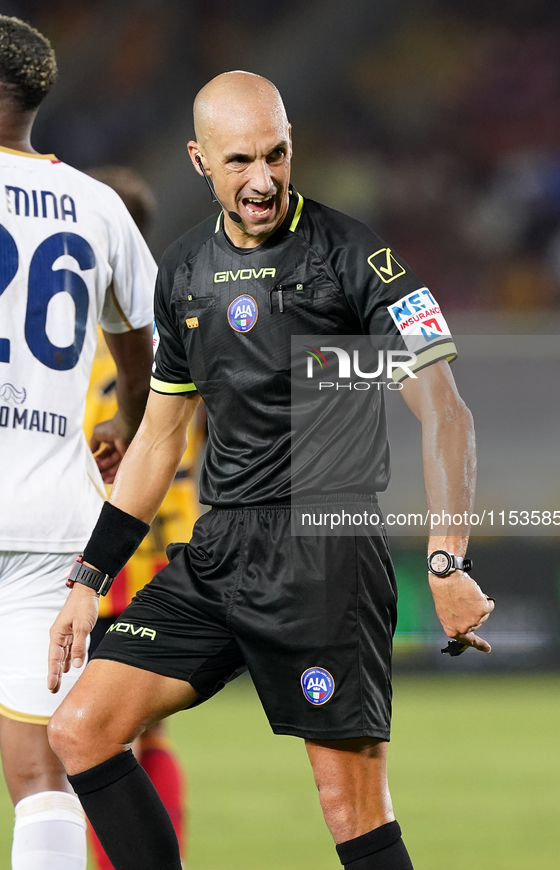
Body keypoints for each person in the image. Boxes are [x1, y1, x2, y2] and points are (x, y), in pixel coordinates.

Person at [47, 71, 495, 870]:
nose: (263, 179)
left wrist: (446, 559)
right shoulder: (183, 271)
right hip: (221, 548)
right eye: (241, 161)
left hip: (326, 547)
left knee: (347, 807)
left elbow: (446, 411)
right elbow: (156, 441)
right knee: (81, 730)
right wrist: (90, 577)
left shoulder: (358, 258)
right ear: (199, 160)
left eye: (277, 156)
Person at [0, 16, 155, 870]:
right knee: (41, 777)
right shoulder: (97, 206)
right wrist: (122, 430)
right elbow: (148, 368)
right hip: (55, 524)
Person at [83, 164, 206, 867]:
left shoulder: (95, 337)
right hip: (174, 557)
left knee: (93, 740)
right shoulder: (181, 320)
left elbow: (106, 456)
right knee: (139, 740)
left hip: (112, 563)